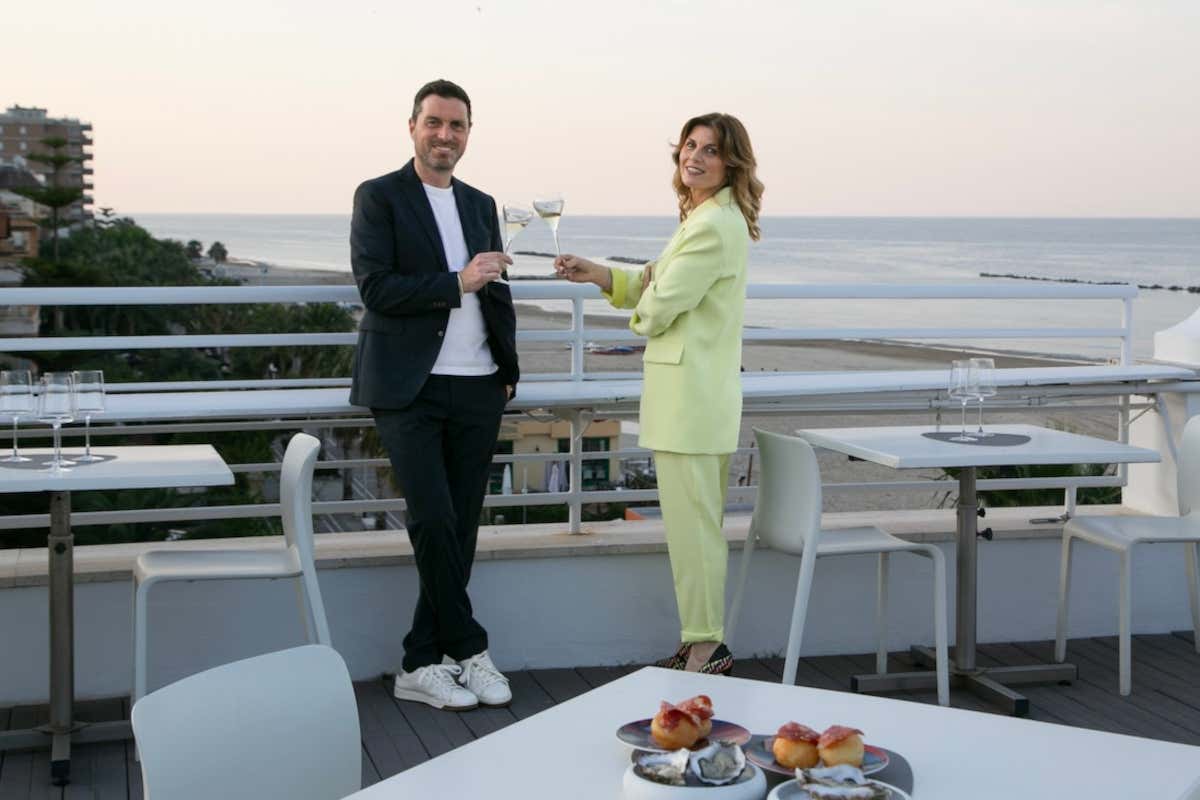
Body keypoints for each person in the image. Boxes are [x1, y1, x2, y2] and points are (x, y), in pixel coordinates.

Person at [555, 112, 762, 674]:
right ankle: (698, 642)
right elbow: (654, 278)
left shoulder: (715, 225)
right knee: (693, 527)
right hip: (691, 400)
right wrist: (600, 274)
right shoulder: (704, 217)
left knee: (695, 532)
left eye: (710, 150)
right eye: (688, 146)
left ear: (731, 163)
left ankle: (706, 646)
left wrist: (645, 312)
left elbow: (661, 303)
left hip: (691, 403)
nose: (693, 156)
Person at [349, 79, 518, 710]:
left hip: (479, 386)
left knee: (463, 524)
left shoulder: (480, 202)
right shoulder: (380, 197)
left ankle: (422, 661)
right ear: (413, 126)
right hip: (408, 387)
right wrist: (457, 281)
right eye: (435, 123)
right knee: (432, 518)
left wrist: (509, 367)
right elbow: (376, 288)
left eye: (458, 125)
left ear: (469, 133)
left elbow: (495, 290)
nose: (445, 135)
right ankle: (468, 648)